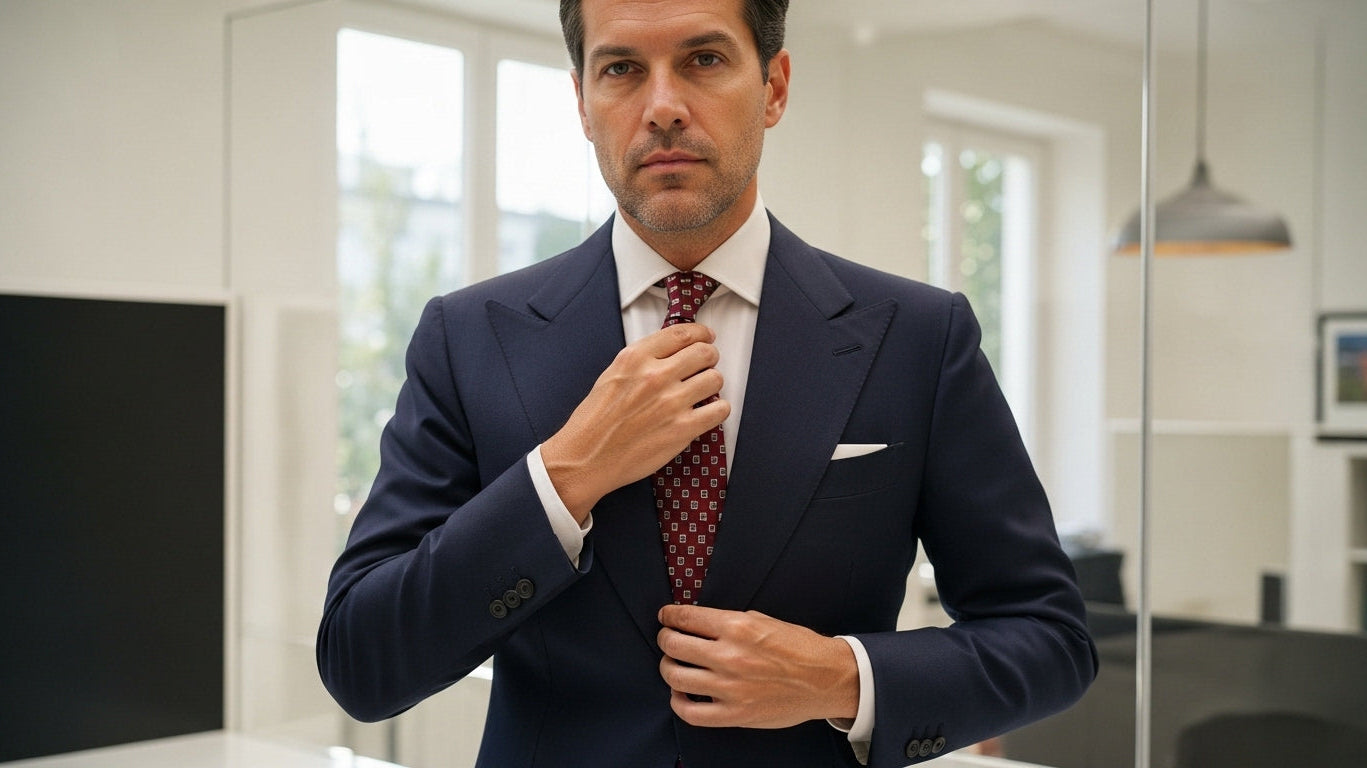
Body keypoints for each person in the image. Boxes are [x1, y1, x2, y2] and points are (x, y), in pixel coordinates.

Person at [317, 0, 1097, 765]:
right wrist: (565, 477)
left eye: (704, 60)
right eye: (621, 69)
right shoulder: (468, 338)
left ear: (774, 86)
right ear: (583, 104)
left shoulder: (917, 338)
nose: (662, 107)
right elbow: (363, 662)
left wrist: (841, 679)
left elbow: (1049, 639)